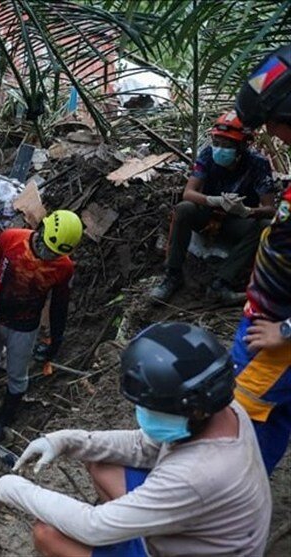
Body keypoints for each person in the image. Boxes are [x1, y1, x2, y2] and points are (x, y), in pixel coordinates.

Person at [0, 322, 271, 557]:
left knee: (47, 534)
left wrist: (14, 488)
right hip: (199, 530)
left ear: (191, 408)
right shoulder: (223, 407)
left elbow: (93, 525)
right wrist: (64, 441)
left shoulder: (193, 476)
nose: (142, 413)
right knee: (102, 462)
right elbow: (143, 446)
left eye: (150, 407)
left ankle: (126, 534)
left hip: (186, 547)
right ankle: (127, 528)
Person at [233, 43, 291, 474]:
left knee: (240, 423)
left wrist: (285, 332)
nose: (272, 133)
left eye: (273, 122)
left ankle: (227, 526)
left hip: (279, 338)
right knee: (269, 417)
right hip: (264, 315)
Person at [150, 110, 275, 304]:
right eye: (217, 143)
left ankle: (221, 284)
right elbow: (189, 193)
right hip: (207, 215)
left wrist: (247, 211)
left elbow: (270, 208)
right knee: (184, 208)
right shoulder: (208, 155)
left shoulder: (258, 164)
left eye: (227, 145)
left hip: (237, 221)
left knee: (265, 225)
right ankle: (172, 275)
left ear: (242, 146)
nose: (220, 149)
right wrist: (214, 200)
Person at [0, 210, 83, 444]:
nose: (48, 256)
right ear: (42, 230)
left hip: (25, 325)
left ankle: (3, 419)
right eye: (48, 249)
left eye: (55, 253)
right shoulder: (11, 239)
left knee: (17, 374)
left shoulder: (63, 267)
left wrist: (56, 339)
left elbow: (59, 304)